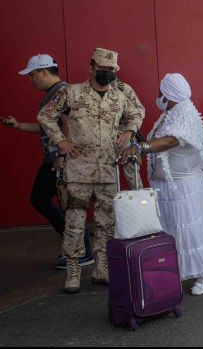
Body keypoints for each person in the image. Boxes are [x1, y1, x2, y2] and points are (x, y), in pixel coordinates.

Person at [38, 48, 143, 294]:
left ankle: (102, 268)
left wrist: (129, 130)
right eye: (102, 69)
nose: (107, 73)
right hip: (78, 171)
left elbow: (137, 112)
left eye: (111, 70)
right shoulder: (71, 92)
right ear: (91, 68)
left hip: (108, 171)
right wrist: (60, 141)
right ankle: (73, 269)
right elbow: (46, 115)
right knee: (74, 223)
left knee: (106, 224)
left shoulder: (119, 96)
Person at [120, 74, 203, 296]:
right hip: (165, 185)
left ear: (169, 94)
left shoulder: (186, 114)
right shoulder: (169, 114)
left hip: (184, 188)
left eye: (161, 93)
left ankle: (201, 275)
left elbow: (172, 140)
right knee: (169, 230)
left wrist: (141, 148)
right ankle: (174, 272)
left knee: (188, 230)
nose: (158, 97)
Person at [2, 54, 93, 269]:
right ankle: (77, 247)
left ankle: (80, 251)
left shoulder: (62, 92)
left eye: (32, 75)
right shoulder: (54, 93)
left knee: (62, 203)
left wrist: (62, 157)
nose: (30, 80)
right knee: (59, 203)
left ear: (44, 72)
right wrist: (19, 126)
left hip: (61, 160)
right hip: (55, 158)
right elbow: (47, 127)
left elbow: (70, 124)